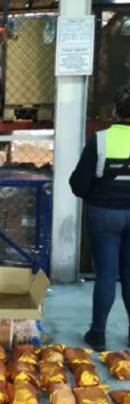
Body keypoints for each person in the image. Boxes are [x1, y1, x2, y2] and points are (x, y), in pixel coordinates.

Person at [70, 85, 130, 352]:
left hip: (104, 214)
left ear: (116, 110)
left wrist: (96, 193)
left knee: (106, 275)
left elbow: (78, 184)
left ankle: (98, 334)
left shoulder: (101, 140)